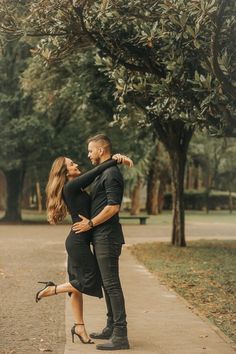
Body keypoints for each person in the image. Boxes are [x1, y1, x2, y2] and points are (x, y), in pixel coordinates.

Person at [35, 152, 132, 345]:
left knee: (76, 284)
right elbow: (97, 170)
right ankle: (52, 289)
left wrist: (114, 157)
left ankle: (79, 327)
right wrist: (116, 159)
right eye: (72, 164)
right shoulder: (70, 186)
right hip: (77, 242)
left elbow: (97, 175)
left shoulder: (75, 187)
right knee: (91, 280)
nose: (77, 164)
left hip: (77, 241)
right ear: (65, 172)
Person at [72, 134, 130, 351]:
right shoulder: (103, 172)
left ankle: (121, 336)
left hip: (108, 236)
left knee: (112, 284)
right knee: (107, 283)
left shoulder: (112, 174)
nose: (88, 155)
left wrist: (90, 224)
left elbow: (113, 207)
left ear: (101, 150)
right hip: (101, 236)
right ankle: (110, 327)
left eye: (90, 151)